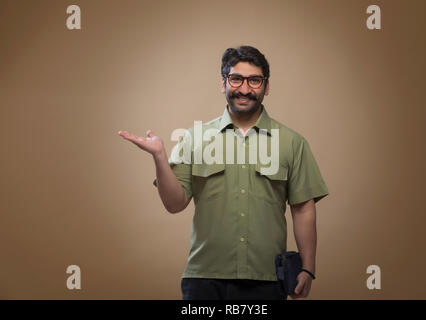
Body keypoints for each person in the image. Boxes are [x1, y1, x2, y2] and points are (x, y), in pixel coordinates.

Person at [118, 45, 329, 300]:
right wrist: (159, 157)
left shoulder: (292, 142)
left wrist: (308, 267)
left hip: (267, 280)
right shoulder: (194, 138)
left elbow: (303, 208)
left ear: (266, 86)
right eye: (236, 79)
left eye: (254, 80)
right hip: (204, 280)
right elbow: (174, 204)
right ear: (223, 83)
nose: (244, 89)